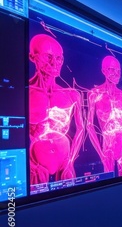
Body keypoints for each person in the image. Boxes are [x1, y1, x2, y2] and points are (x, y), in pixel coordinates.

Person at [28, 34, 85, 186]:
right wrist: (31, 164)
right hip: (36, 165)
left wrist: (71, 160)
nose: (54, 63)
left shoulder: (72, 94)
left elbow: (81, 128)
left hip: (65, 162)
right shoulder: (25, 92)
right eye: (48, 56)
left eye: (59, 58)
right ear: (33, 57)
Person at [87, 55, 122, 177]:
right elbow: (89, 126)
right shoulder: (94, 94)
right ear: (104, 71)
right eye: (112, 70)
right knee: (109, 181)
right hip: (107, 146)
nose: (117, 74)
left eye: (118, 71)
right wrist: (100, 153)